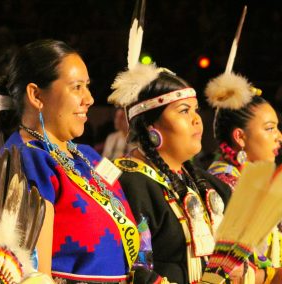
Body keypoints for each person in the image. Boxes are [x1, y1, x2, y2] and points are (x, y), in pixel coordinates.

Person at [0, 39, 140, 283]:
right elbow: (36, 274)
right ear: (36, 95)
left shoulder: (87, 155)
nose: (89, 98)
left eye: (87, 86)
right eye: (77, 87)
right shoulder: (28, 160)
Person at [107, 63, 243, 283]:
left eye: (196, 109)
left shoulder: (210, 186)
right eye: (184, 110)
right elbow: (134, 270)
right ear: (151, 127)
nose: (196, 119)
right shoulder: (130, 184)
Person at [206, 72, 282, 282]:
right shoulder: (223, 185)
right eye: (269, 129)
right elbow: (228, 271)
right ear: (240, 136)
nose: (279, 137)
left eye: (277, 128)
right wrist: (271, 275)